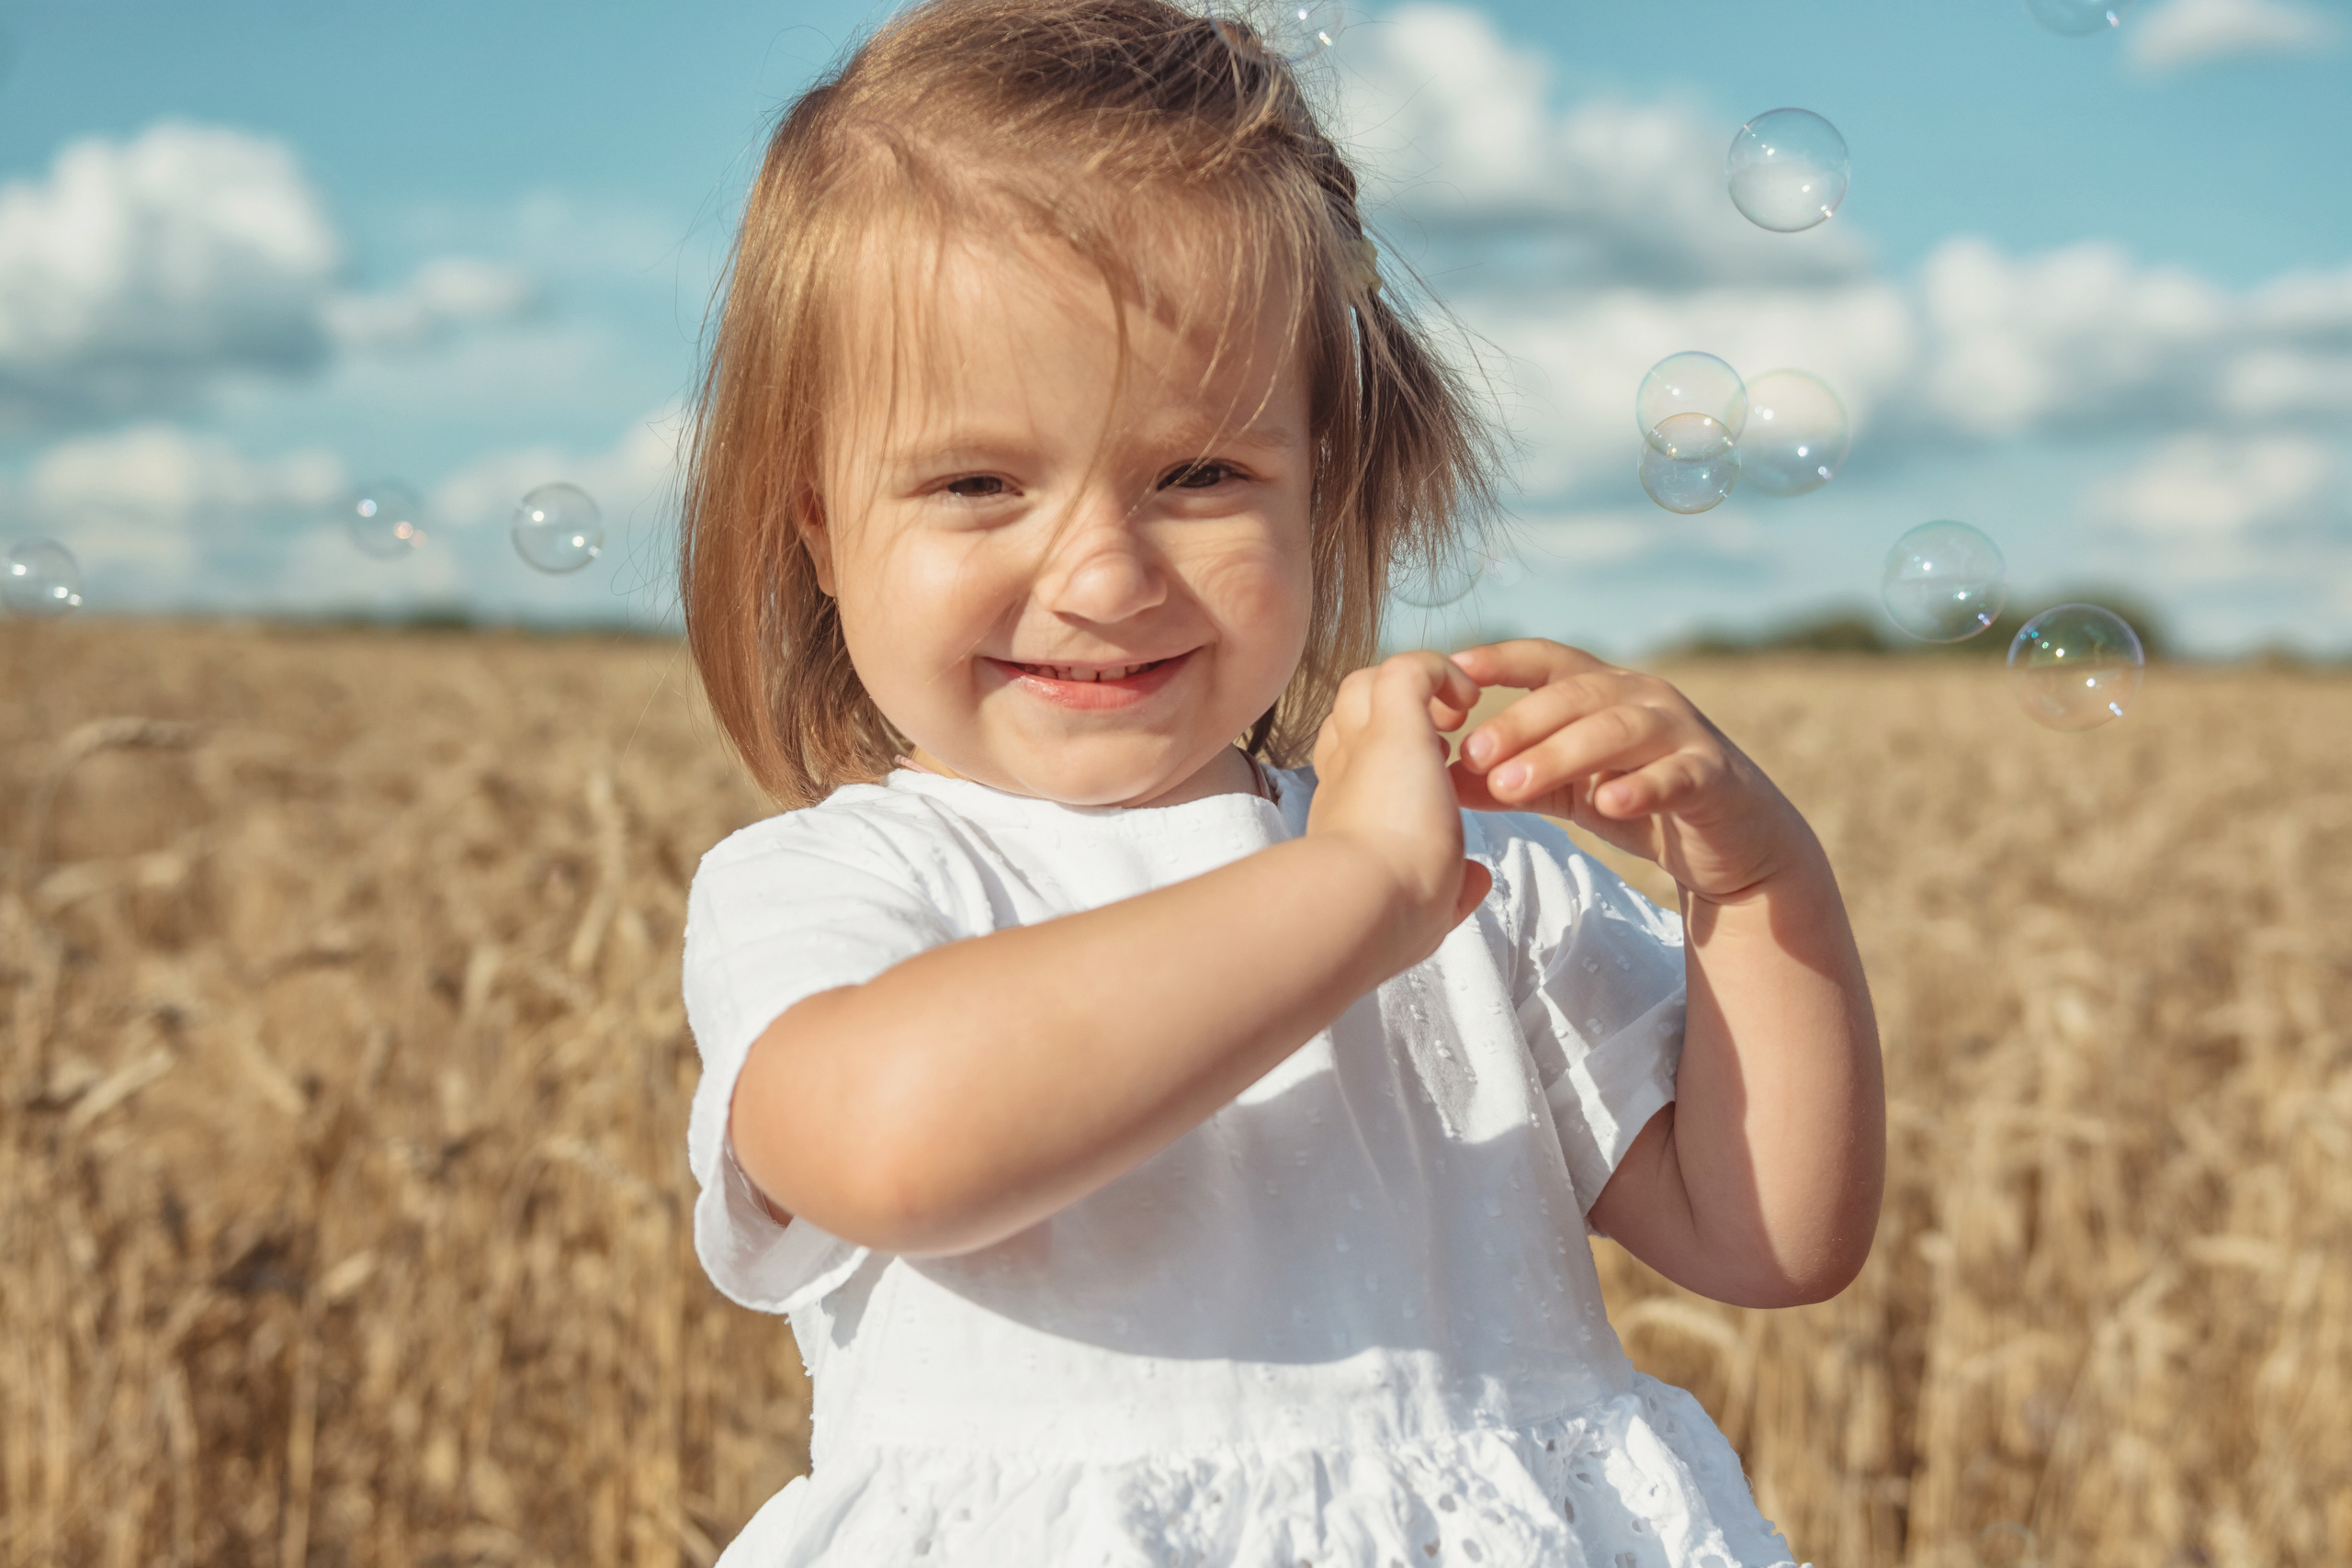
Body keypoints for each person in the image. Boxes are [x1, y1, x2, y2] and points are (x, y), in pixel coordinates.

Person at [676, 2, 1883, 1562]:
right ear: (821, 530)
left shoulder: (1476, 884)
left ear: (1326, 488)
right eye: (977, 482)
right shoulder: (842, 888)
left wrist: (1758, 884)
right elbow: (896, 1150)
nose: (1103, 578)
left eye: (1201, 475)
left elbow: (1771, 1235)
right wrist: (1357, 889)